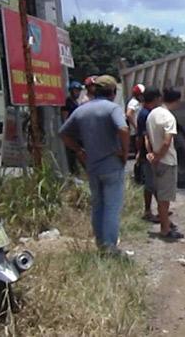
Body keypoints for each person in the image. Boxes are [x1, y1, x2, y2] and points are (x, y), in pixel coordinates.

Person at [58, 74, 130, 254]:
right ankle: (110, 247)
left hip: (92, 165)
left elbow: (63, 134)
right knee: (112, 207)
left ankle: (101, 244)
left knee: (98, 205)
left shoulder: (81, 110)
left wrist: (80, 152)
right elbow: (123, 129)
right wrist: (124, 152)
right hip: (111, 164)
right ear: (112, 92)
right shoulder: (112, 108)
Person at [146, 88, 185, 239]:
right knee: (164, 199)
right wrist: (158, 156)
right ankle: (165, 229)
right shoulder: (169, 118)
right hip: (166, 161)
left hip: (156, 161)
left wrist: (151, 154)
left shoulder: (152, 114)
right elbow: (167, 141)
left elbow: (148, 137)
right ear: (176, 101)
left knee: (161, 195)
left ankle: (165, 225)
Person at [136, 86, 161, 223]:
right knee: (150, 183)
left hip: (149, 153)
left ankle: (160, 208)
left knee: (155, 183)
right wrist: (143, 153)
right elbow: (142, 137)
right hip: (149, 154)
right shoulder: (145, 114)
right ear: (156, 99)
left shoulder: (146, 112)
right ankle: (148, 211)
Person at [62, 81, 83, 175]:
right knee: (72, 154)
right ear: (71, 91)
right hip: (71, 133)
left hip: (77, 132)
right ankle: (73, 173)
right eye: (76, 90)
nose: (78, 93)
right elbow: (65, 118)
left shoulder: (76, 102)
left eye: (79, 91)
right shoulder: (68, 102)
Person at [126, 84, 145, 156]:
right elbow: (128, 114)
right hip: (136, 132)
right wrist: (136, 126)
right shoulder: (133, 103)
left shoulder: (139, 102)